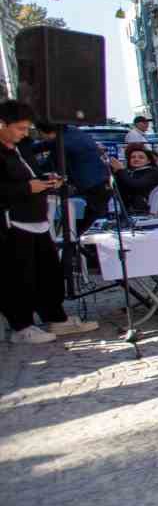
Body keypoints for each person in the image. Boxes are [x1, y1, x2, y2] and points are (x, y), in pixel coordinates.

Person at [0, 101, 99, 344]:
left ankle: (55, 316)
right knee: (18, 276)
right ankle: (21, 325)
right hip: (12, 223)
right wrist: (26, 188)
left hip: (37, 219)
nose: (25, 134)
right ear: (3, 125)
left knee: (49, 273)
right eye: (20, 128)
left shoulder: (20, 148)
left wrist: (46, 181)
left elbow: (32, 174)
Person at [33, 119, 112, 224]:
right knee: (88, 219)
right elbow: (46, 144)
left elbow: (47, 167)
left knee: (79, 223)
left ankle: (73, 238)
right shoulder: (72, 130)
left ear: (42, 131)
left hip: (90, 188)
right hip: (102, 181)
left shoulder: (62, 144)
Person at [110, 144, 158, 215]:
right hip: (125, 210)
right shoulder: (129, 172)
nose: (136, 159)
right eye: (133, 157)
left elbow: (135, 185)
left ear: (148, 161)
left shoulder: (153, 172)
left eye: (141, 157)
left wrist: (121, 170)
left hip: (144, 211)